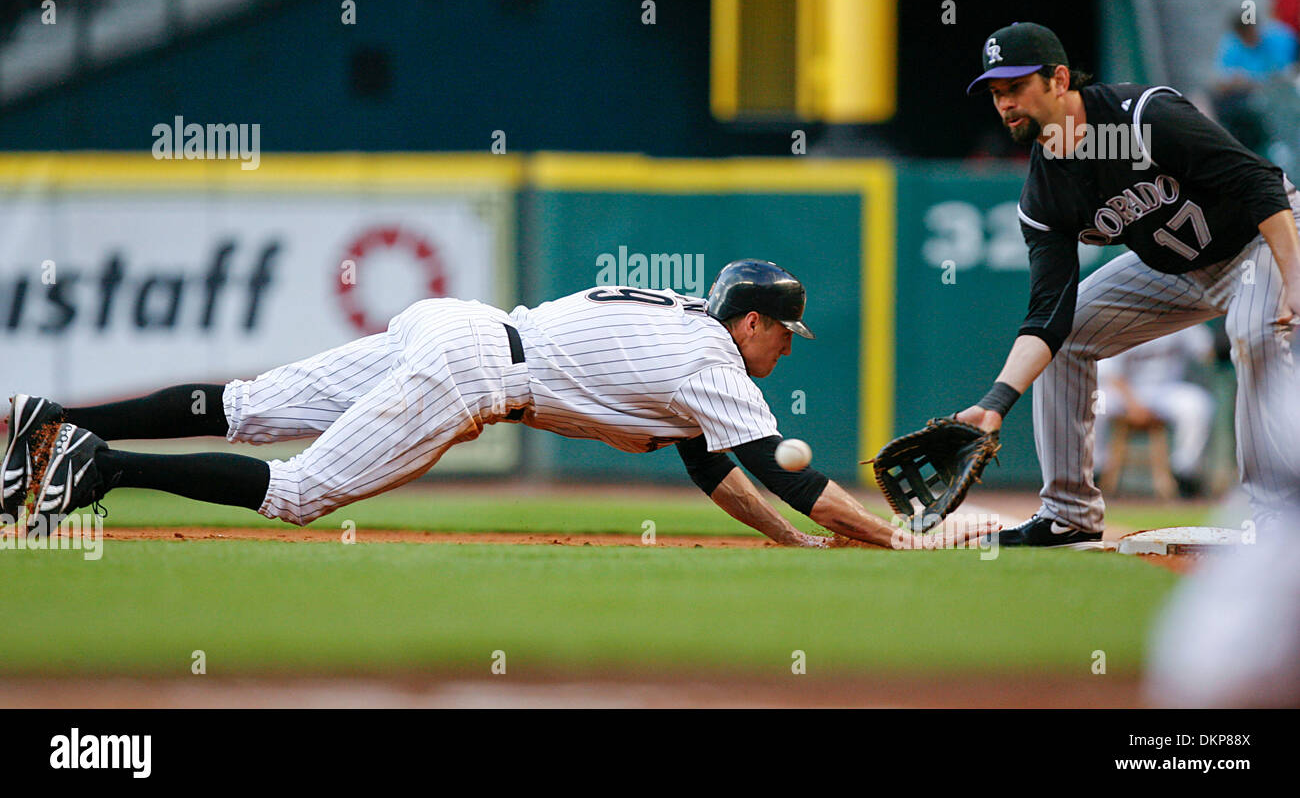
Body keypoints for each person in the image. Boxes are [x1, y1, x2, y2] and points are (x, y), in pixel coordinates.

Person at [2, 260, 993, 549]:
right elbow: (806, 480)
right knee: (298, 493)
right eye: (784, 333)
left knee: (250, 403)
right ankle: (96, 463)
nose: (784, 349)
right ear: (753, 323)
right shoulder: (712, 360)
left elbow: (714, 468)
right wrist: (886, 541)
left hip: (453, 323)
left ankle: (52, 413)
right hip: (479, 368)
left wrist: (787, 545)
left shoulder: (686, 344)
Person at [957, 22, 1300, 546]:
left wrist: (1293, 275)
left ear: (1059, 79)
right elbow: (1047, 314)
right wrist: (996, 401)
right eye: (997, 93)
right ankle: (1067, 514)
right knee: (1067, 338)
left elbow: (1258, 181)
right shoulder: (1043, 197)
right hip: (1178, 267)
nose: (1005, 103)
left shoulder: (1143, 117)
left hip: (1260, 238)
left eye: (1016, 86)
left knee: (1255, 334)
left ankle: (1278, 517)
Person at [1093, 324, 1217, 498]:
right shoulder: (1122, 319)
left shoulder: (1179, 317)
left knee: (1199, 404)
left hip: (1166, 390)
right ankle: (1094, 470)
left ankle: (1185, 473)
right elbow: (1109, 373)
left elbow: (1206, 351)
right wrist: (1133, 405)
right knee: (1095, 400)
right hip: (1123, 392)